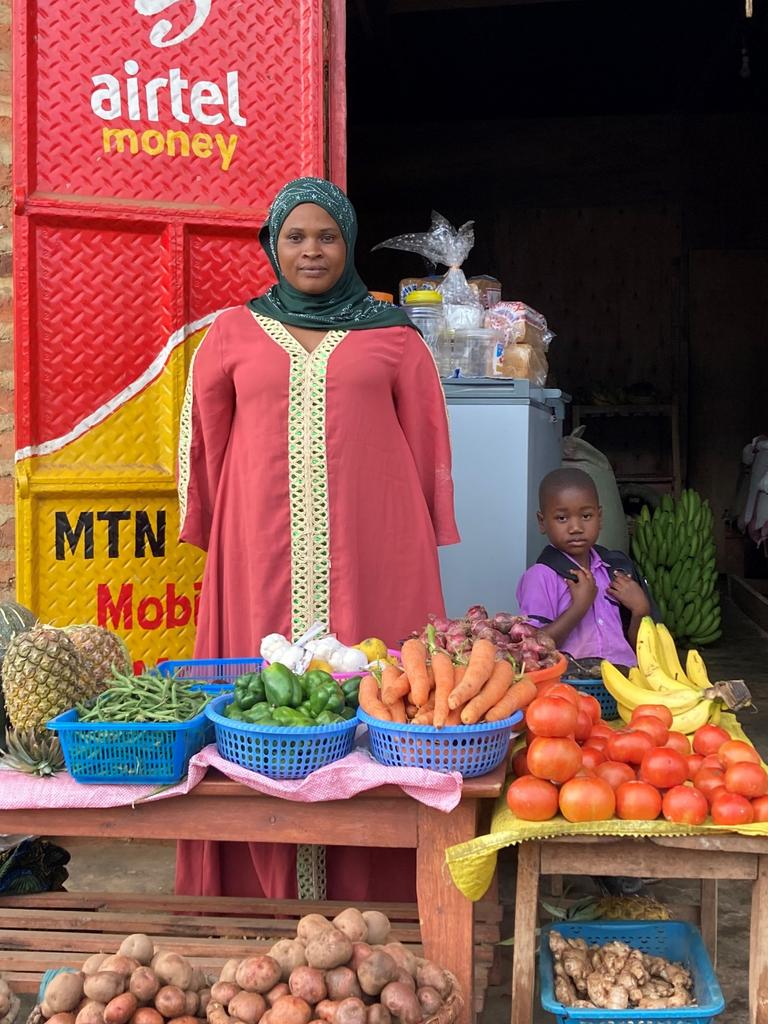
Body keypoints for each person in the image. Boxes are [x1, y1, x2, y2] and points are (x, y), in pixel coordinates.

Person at [175, 177, 459, 901]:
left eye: (326, 236)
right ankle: (257, 892)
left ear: (348, 243)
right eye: (296, 236)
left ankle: (376, 891)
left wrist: (428, 529)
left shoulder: (392, 332)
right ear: (273, 244)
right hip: (257, 547)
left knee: (385, 697)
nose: (311, 250)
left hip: (376, 547)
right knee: (257, 706)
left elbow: (428, 435)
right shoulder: (233, 331)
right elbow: (202, 437)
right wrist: (210, 523)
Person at [516, 468, 651, 667]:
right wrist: (579, 607)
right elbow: (533, 647)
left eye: (586, 516)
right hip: (570, 685)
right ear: (542, 522)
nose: (576, 527)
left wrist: (640, 610)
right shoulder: (540, 577)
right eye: (562, 518)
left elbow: (642, 648)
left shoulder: (613, 570)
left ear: (600, 517)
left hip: (626, 680)